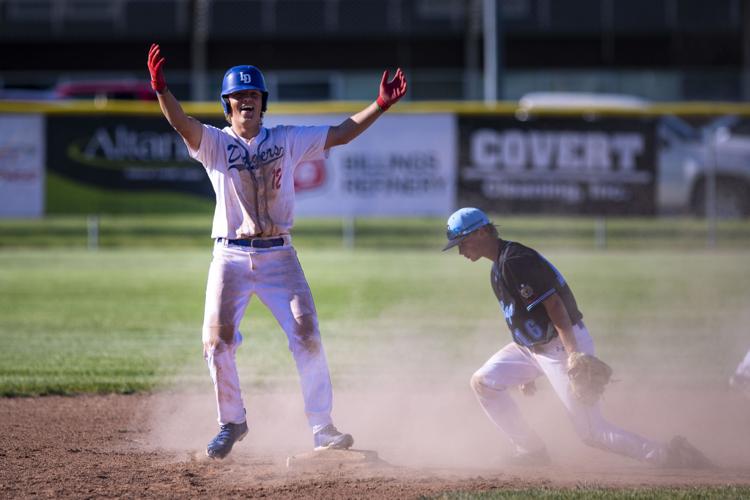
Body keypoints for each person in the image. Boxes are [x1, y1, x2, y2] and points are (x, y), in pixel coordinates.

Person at [146, 43, 407, 459]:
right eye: (239, 96)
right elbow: (182, 123)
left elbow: (340, 133)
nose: (246, 101)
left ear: (262, 102)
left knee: (307, 334)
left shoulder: (286, 139)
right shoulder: (214, 143)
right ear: (227, 104)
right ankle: (232, 422)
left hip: (279, 255)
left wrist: (379, 104)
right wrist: (161, 89)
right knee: (216, 341)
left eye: (253, 95)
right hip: (230, 256)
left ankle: (322, 427)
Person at [442, 207, 710, 468]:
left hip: (562, 345)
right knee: (484, 382)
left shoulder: (515, 261)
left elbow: (555, 306)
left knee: (592, 432)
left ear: (479, 233)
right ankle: (530, 450)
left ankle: (668, 455)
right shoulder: (498, 268)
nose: (460, 250)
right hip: (535, 349)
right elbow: (523, 318)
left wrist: (574, 355)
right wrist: (526, 374)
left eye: (462, 242)